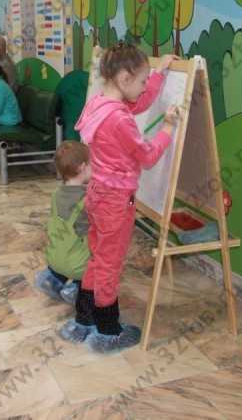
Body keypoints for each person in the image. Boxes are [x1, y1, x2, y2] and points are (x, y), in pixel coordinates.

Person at [60, 43, 182, 353]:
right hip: (116, 201)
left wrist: (159, 72)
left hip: (97, 194)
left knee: (98, 258)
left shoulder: (100, 104)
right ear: (125, 78)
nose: (144, 87)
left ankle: (84, 320)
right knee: (109, 266)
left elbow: (139, 102)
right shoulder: (120, 120)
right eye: (141, 80)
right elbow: (148, 156)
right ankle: (108, 331)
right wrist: (168, 128)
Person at [36, 141, 91, 305]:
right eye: (92, 164)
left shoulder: (56, 194)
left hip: (54, 259)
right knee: (100, 264)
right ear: (83, 167)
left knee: (67, 251)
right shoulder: (86, 201)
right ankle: (76, 289)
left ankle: (51, 279)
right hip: (76, 267)